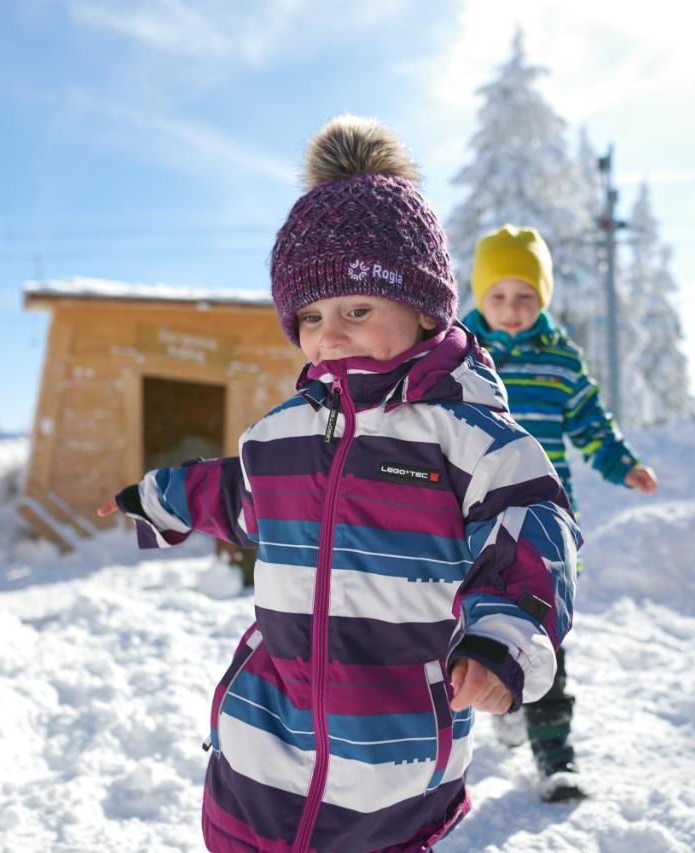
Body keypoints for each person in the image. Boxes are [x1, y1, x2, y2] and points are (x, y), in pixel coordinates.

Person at [97, 118, 580, 852]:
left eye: (358, 310)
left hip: (392, 770)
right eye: (313, 316)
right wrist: (157, 498)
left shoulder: (469, 438)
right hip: (260, 751)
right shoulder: (279, 434)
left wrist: (500, 641)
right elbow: (239, 496)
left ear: (423, 308)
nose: (332, 334)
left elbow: (531, 535)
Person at [464, 224, 658, 803]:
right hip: (470, 518)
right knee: (463, 626)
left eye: (525, 297)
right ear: (479, 298)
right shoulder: (460, 356)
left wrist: (623, 464)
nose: (512, 310)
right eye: (498, 297)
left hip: (543, 527)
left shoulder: (560, 361)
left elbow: (591, 423)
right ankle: (485, 709)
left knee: (541, 634)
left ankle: (556, 756)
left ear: (542, 300)